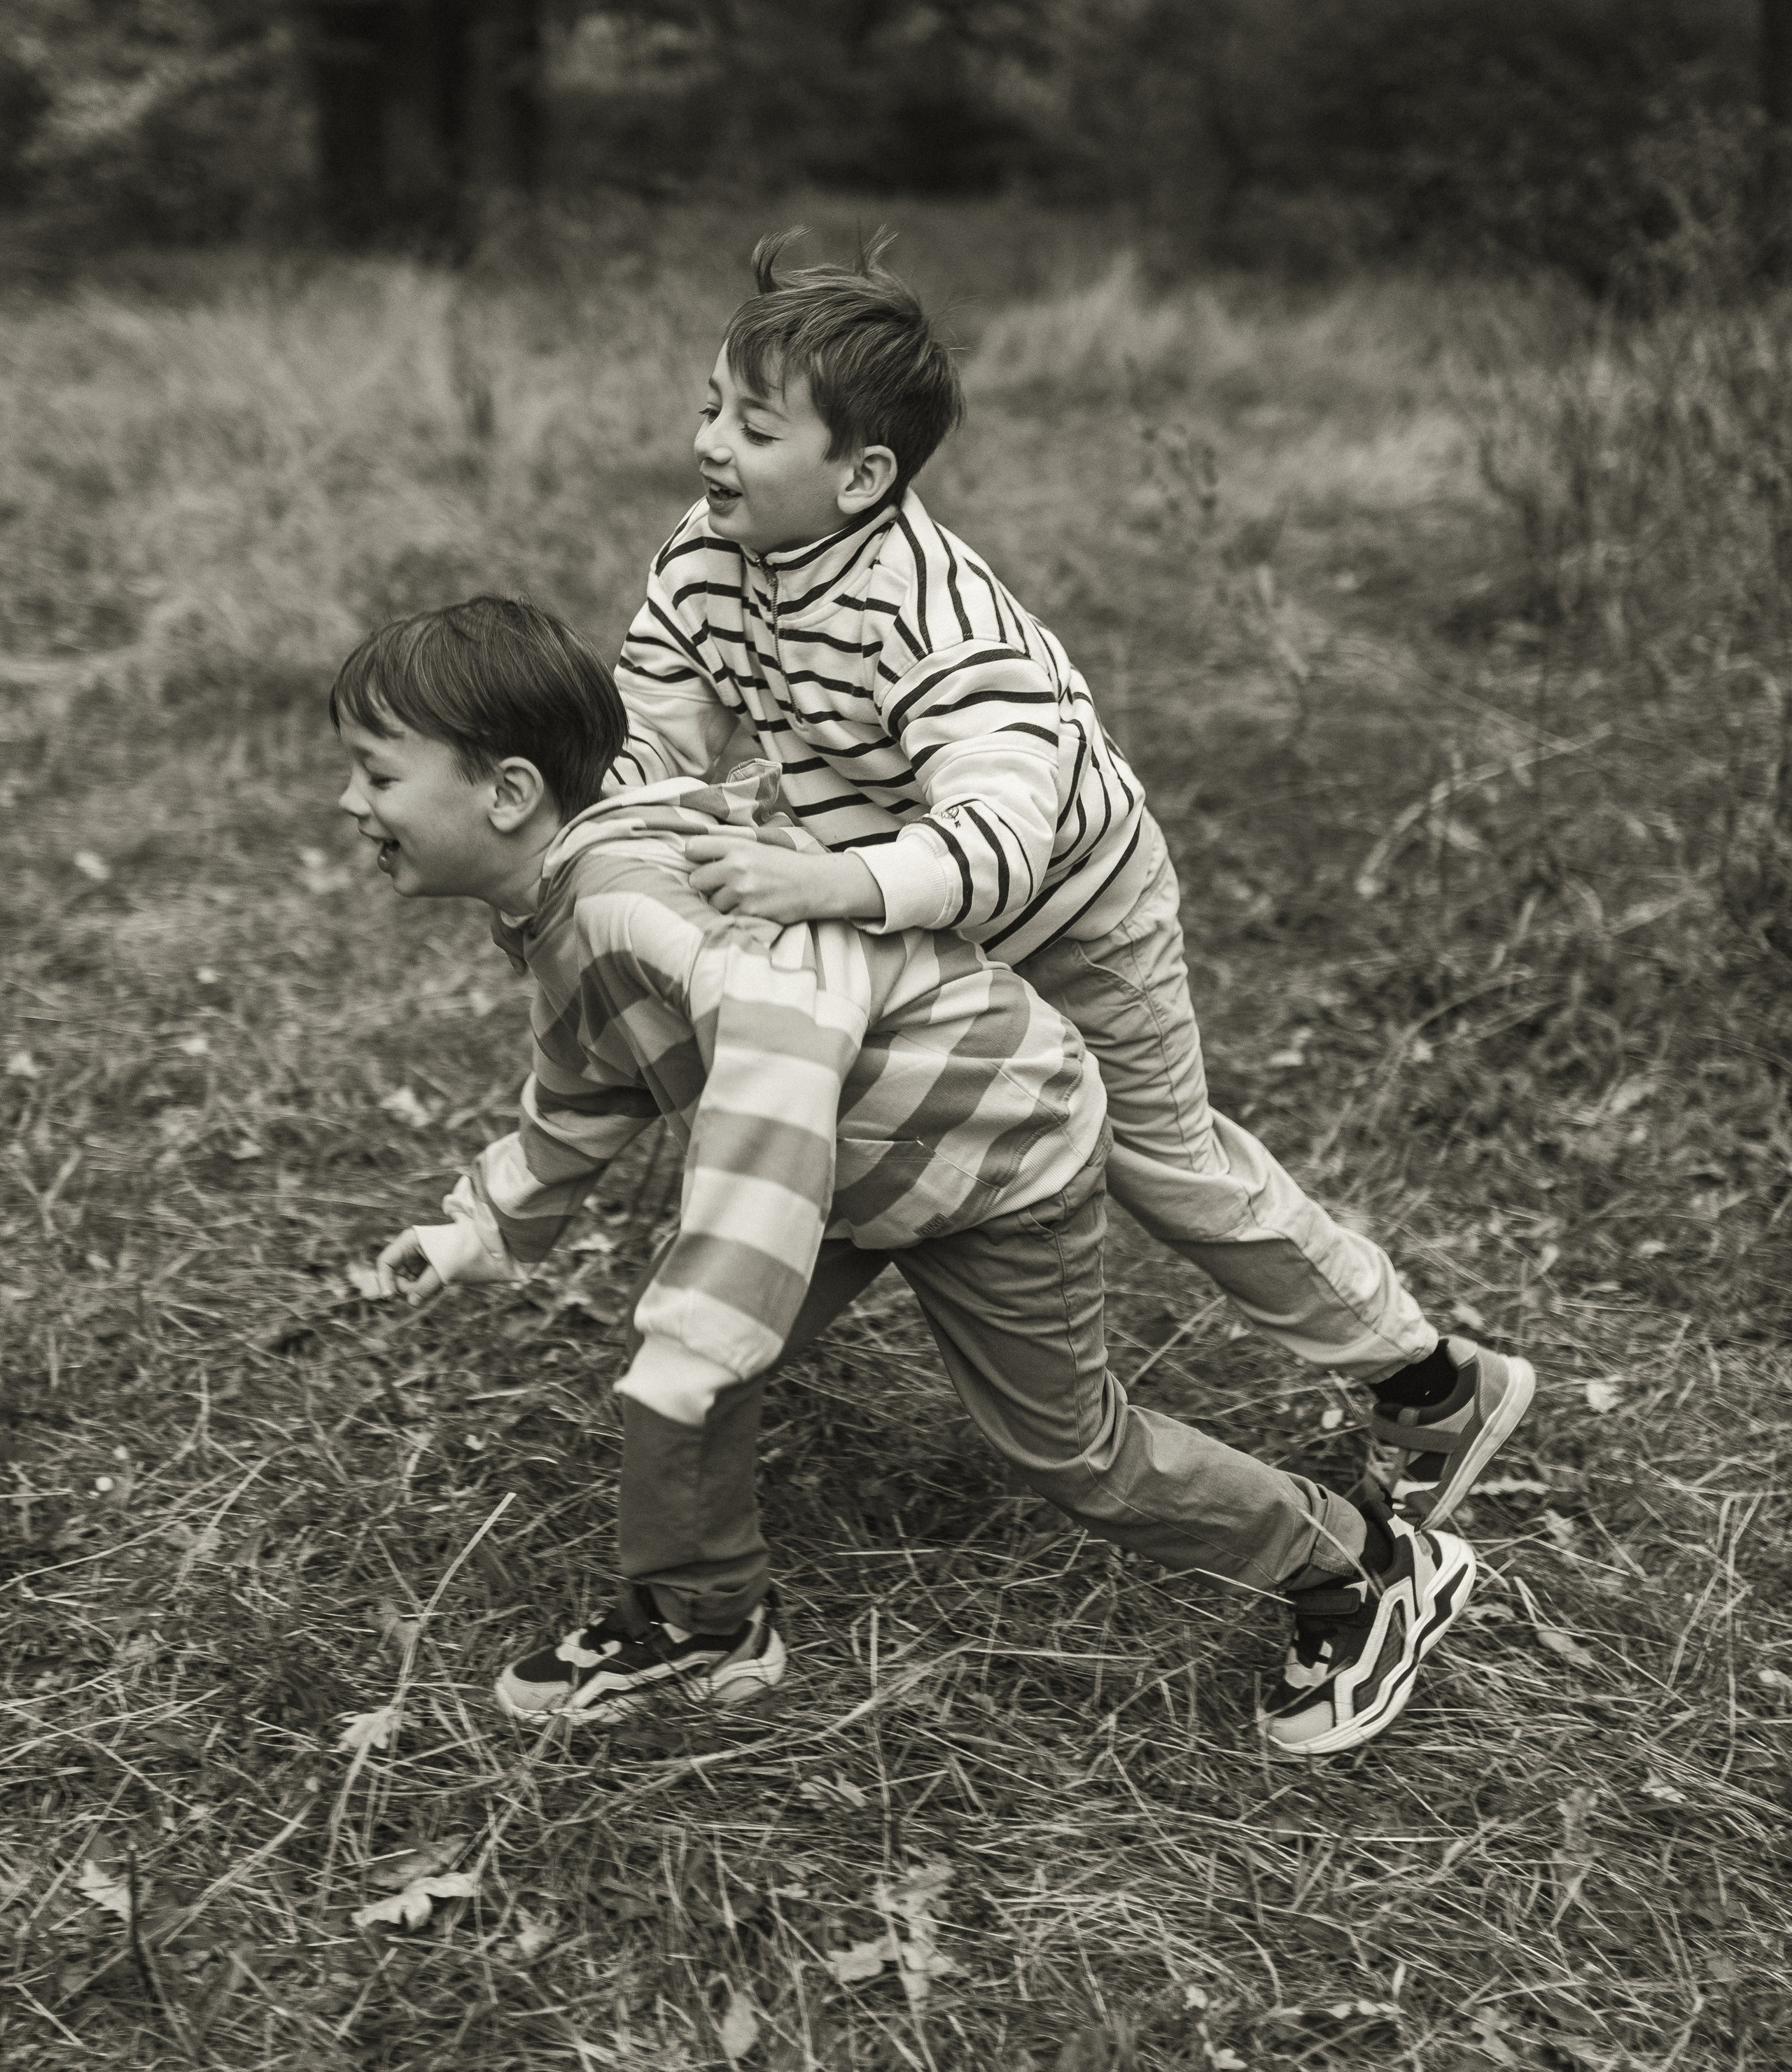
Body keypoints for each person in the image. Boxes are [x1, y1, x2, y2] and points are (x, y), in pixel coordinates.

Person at [335, 595, 1478, 1758]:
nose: (351, 804)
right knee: (698, 1368)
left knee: (1070, 1449)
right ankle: (705, 1623)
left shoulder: (631, 906)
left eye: (377, 778)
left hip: (992, 1150)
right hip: (861, 1154)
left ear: (509, 794)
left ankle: (1364, 1567)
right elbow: (595, 1071)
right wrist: (482, 1225)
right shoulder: (568, 907)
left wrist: (711, 1314)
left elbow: (775, 1071)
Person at [606, 234, 1535, 1525]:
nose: (710, 445)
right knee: (858, 1107)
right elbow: (669, 715)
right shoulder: (705, 558)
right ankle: (745, 1331)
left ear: (862, 475)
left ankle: (1429, 1382)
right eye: (711, 407)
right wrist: (617, 809)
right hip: (888, 906)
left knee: (1165, 1164)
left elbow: (996, 845)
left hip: (1067, 906)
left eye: (754, 429)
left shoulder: (936, 618)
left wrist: (819, 884)